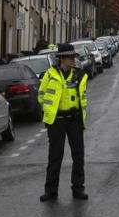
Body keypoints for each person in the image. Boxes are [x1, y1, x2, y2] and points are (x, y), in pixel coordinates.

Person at [38, 43, 89, 201]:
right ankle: (51, 191)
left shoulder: (79, 75)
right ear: (61, 59)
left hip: (74, 120)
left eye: (74, 56)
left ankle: (78, 188)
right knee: (55, 156)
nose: (73, 59)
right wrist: (49, 111)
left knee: (78, 156)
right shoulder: (50, 74)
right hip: (57, 121)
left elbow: (83, 98)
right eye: (70, 57)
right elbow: (41, 95)